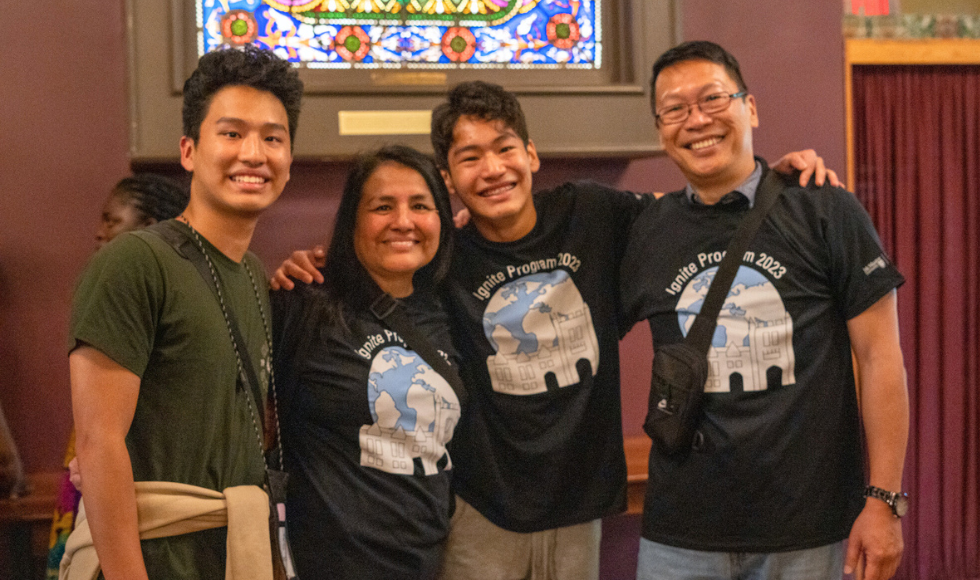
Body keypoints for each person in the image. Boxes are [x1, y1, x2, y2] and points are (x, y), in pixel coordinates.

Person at [273, 81, 836, 580]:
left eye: (504, 149)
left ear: (531, 154)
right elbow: (376, 270)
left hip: (579, 505)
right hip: (479, 508)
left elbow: (699, 212)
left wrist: (766, 178)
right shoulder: (442, 258)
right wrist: (312, 265)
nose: (492, 170)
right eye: (470, 158)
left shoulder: (592, 213)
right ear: (450, 180)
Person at [621, 41, 908, 580]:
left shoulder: (824, 208)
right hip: (680, 535)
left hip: (810, 531)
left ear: (749, 108)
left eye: (712, 98)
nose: (696, 120)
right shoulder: (647, 231)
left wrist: (885, 500)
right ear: (661, 130)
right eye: (675, 109)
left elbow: (880, 359)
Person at [64, 45, 302, 580]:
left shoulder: (251, 275)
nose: (254, 153)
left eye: (273, 137)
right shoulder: (136, 260)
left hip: (228, 554)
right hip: (151, 557)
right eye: (232, 133)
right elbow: (100, 442)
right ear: (190, 150)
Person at [271, 145, 462, 579]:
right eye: (382, 206)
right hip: (324, 564)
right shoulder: (306, 303)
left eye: (420, 205)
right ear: (353, 220)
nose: (403, 221)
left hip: (427, 562)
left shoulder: (452, 310)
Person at [47, 173, 188, 579]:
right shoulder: (106, 289)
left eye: (112, 220)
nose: (99, 231)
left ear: (146, 228)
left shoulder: (164, 297)